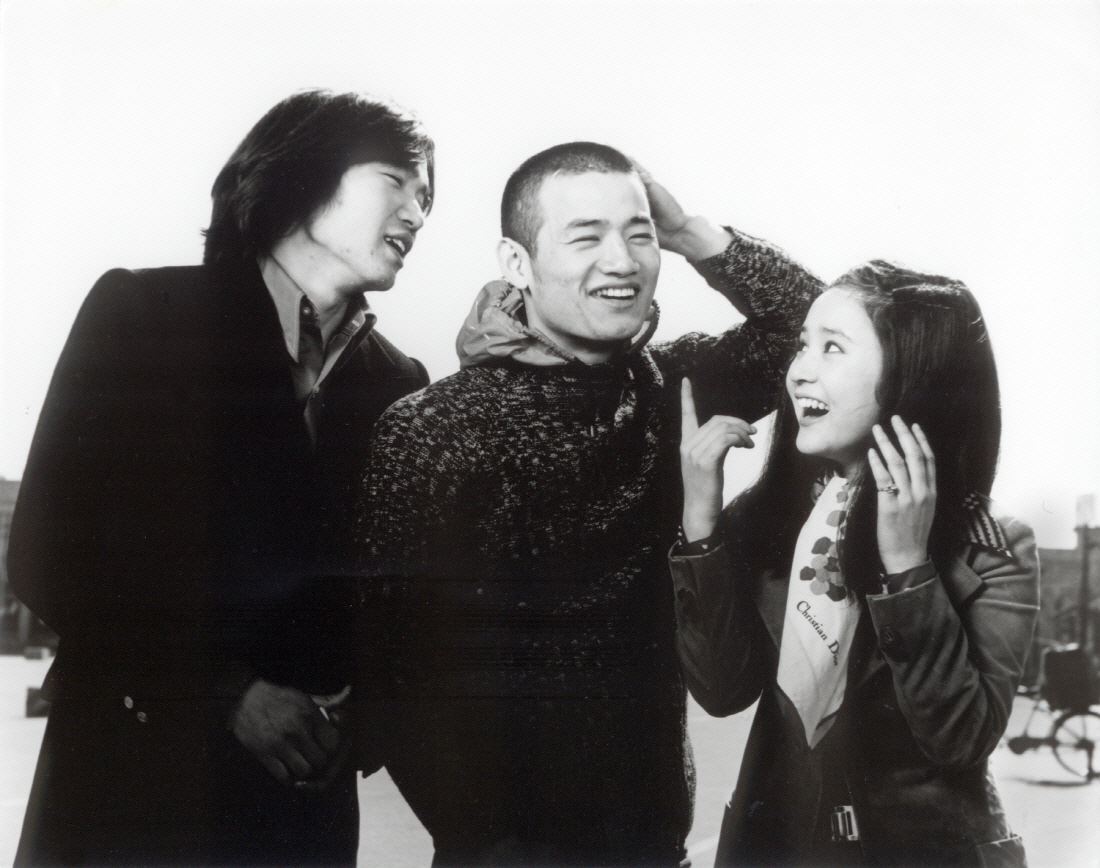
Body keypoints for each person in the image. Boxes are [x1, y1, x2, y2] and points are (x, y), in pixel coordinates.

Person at [353, 141, 820, 865]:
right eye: (586, 237)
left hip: (655, 839)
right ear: (516, 263)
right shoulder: (434, 426)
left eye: (639, 234)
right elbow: (390, 664)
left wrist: (690, 231)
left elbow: (813, 327)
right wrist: (484, 836)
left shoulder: (675, 386)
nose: (621, 261)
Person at [9, 89, 434, 866]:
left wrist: (362, 712)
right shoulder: (145, 314)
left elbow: (399, 604)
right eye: (395, 182)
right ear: (303, 177)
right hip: (129, 791)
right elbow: (48, 554)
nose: (417, 213)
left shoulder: (403, 385)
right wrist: (228, 692)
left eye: (427, 198)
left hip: (300, 812)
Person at [672, 261, 1040, 865]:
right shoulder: (766, 518)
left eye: (833, 348)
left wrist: (908, 568)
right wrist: (701, 524)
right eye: (803, 345)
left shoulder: (992, 547)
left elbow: (959, 740)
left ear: (910, 378)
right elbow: (720, 691)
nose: (799, 371)